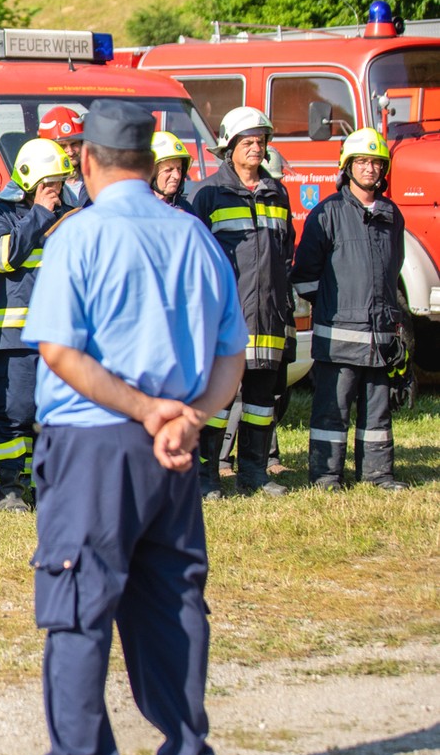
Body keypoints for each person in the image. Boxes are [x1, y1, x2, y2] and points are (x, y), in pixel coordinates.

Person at [0, 98, 246, 755]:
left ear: (87, 161)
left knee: (78, 601)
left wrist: (143, 410)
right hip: (174, 454)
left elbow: (60, 350)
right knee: (173, 602)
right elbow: (233, 353)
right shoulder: (195, 236)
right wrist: (187, 417)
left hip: (96, 445)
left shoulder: (81, 234)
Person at [292, 128, 408, 491]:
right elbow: (305, 276)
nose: (370, 169)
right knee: (332, 410)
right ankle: (326, 475)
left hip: (380, 336)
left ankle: (378, 474)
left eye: (376, 162)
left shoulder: (391, 215)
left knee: (377, 410)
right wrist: (332, 309)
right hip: (339, 335)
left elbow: (394, 268)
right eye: (362, 162)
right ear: (347, 167)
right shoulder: (327, 213)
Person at [190, 106, 293, 499]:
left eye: (261, 141)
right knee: (218, 402)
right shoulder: (209, 195)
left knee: (261, 403)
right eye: (247, 142)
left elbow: (286, 252)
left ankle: (254, 472)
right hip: (227, 318)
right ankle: (208, 476)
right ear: (228, 147)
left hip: (268, 317)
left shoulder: (276, 192)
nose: (256, 148)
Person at [0, 138, 72, 512]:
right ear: (30, 179)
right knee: (13, 415)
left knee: (51, 416)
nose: (57, 191)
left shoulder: (70, 213)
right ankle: (9, 487)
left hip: (60, 338)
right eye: (50, 184)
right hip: (14, 337)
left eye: (61, 184)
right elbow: (4, 257)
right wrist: (40, 213)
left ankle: (45, 484)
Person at [39, 106, 89, 208]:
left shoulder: (95, 178)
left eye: (74, 144)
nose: (70, 152)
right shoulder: (41, 185)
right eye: (62, 146)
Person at [150, 131, 194, 212]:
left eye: (179, 169)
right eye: (168, 170)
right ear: (151, 173)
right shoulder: (135, 209)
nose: (177, 176)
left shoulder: (186, 209)